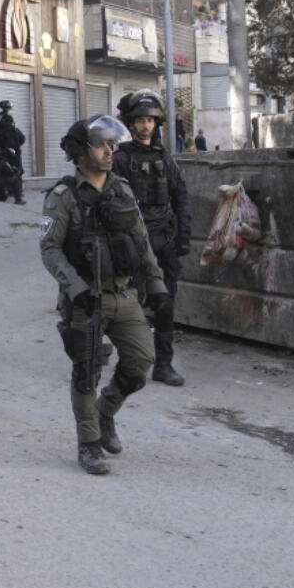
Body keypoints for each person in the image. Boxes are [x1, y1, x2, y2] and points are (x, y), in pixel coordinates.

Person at [40, 115, 169, 475]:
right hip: (86, 299)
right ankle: (89, 444)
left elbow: (141, 243)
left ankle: (105, 411)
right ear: (81, 153)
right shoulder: (63, 196)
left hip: (124, 295)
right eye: (100, 145)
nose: (109, 151)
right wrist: (75, 288)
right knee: (86, 371)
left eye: (111, 144)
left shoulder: (122, 190)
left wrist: (156, 285)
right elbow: (50, 250)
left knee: (141, 364)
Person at [113, 90, 193, 386]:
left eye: (149, 120)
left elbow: (182, 197)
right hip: (131, 243)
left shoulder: (165, 159)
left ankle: (164, 365)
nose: (145, 126)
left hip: (163, 241)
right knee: (127, 306)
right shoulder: (120, 159)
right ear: (131, 124)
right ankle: (130, 363)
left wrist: (183, 236)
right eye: (140, 120)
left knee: (165, 304)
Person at [0, 113, 27, 204]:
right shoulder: (16, 130)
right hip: (16, 155)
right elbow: (23, 139)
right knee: (17, 173)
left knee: (7, 174)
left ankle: (9, 192)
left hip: (6, 156)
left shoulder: (1, 132)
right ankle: (17, 195)